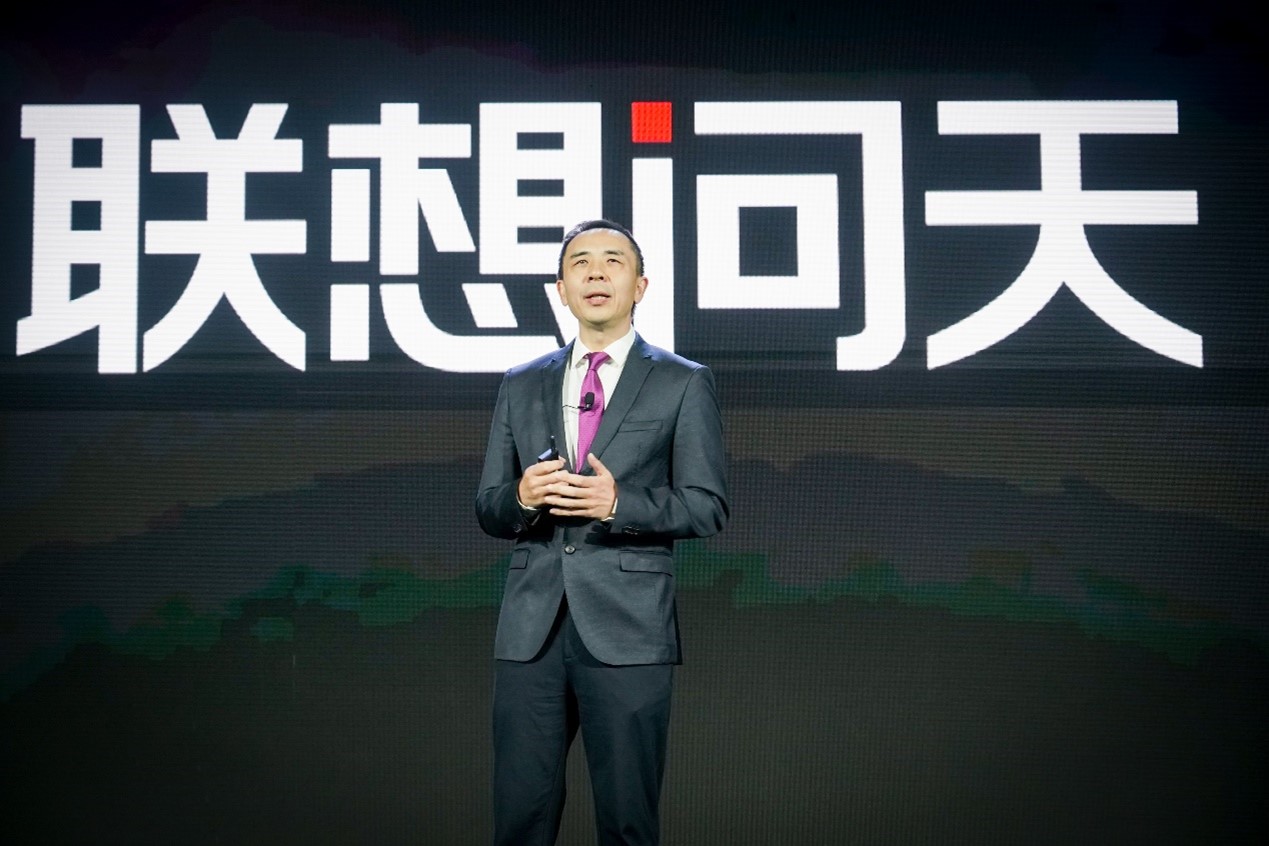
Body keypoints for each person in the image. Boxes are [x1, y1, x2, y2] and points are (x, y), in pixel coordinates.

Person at [476, 219, 729, 845]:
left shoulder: (681, 381)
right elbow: (489, 506)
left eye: (613, 261)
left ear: (639, 286)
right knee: (520, 818)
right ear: (561, 289)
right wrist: (522, 497)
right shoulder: (520, 382)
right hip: (531, 630)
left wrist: (619, 502)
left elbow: (706, 506)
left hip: (629, 629)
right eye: (580, 262)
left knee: (626, 820)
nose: (595, 272)